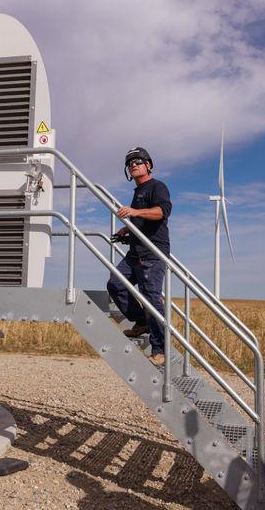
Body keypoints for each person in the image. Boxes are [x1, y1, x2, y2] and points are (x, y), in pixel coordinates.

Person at [106, 147, 172, 367]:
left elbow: (161, 212)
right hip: (135, 252)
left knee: (151, 298)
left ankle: (159, 349)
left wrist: (134, 213)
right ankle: (142, 321)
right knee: (115, 284)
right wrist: (127, 229)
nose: (133, 165)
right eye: (130, 163)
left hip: (152, 253)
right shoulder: (138, 191)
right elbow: (141, 219)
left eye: (138, 161)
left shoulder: (157, 186)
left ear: (149, 165)